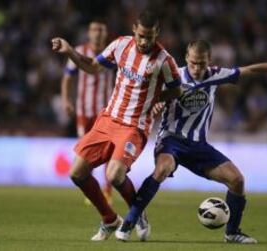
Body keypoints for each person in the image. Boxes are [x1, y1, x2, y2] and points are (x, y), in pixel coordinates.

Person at [116, 40, 267, 243]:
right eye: (193, 63)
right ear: (186, 58)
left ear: (209, 61)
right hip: (171, 140)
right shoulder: (172, 77)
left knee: (237, 181)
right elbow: (150, 98)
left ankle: (232, 232)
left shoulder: (215, 75)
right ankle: (129, 222)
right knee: (162, 169)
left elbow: (251, 70)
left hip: (198, 146)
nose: (197, 68)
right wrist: (156, 106)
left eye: (201, 63)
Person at [51, 10, 182, 241]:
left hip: (134, 126)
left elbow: (177, 90)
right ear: (134, 30)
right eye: (141, 36)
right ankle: (110, 219)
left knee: (113, 174)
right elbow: (92, 66)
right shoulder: (120, 45)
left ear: (157, 34)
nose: (144, 42)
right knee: (77, 173)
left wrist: (157, 99)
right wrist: (70, 50)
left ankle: (136, 212)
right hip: (108, 119)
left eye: (149, 37)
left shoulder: (164, 60)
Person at [61, 19, 115, 205]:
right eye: (94, 29)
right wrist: (66, 99)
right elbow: (68, 78)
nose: (98, 33)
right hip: (84, 110)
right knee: (86, 152)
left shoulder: (113, 52)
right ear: (89, 32)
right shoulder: (78, 52)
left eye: (101, 29)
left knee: (108, 152)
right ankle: (91, 189)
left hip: (106, 111)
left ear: (106, 33)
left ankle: (107, 191)